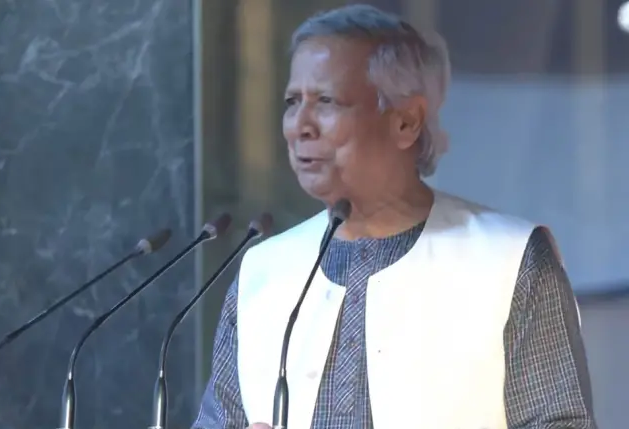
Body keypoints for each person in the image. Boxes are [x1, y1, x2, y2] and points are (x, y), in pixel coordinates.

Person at [193, 4, 598, 429]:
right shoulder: (264, 271)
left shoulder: (510, 260)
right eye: (293, 102)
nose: (300, 126)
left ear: (406, 121)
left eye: (326, 101)